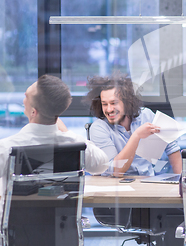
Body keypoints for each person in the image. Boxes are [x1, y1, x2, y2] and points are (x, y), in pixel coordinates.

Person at [0, 75, 108, 214]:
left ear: (33, 111)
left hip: (15, 233)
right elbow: (101, 165)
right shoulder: (75, 146)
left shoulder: (7, 148)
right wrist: (67, 133)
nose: (23, 100)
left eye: (26, 96)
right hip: (64, 232)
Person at [85, 73, 182, 176]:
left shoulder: (146, 115)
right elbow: (116, 170)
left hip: (147, 182)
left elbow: (172, 147)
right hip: (116, 186)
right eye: (104, 104)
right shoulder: (99, 128)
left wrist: (180, 181)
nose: (109, 109)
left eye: (114, 103)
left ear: (127, 102)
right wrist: (136, 136)